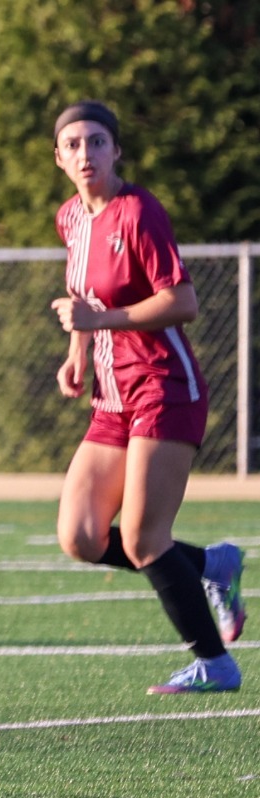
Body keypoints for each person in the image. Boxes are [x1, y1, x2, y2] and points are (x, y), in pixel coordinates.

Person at [48, 100, 244, 694]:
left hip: (164, 387)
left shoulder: (140, 212)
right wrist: (78, 353)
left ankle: (216, 663)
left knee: (141, 539)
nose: (87, 154)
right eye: (75, 144)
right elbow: (82, 295)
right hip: (112, 398)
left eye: (98, 142)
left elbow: (182, 301)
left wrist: (102, 319)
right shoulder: (70, 220)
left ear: (117, 151)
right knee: (81, 535)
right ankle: (213, 564)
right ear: (59, 158)